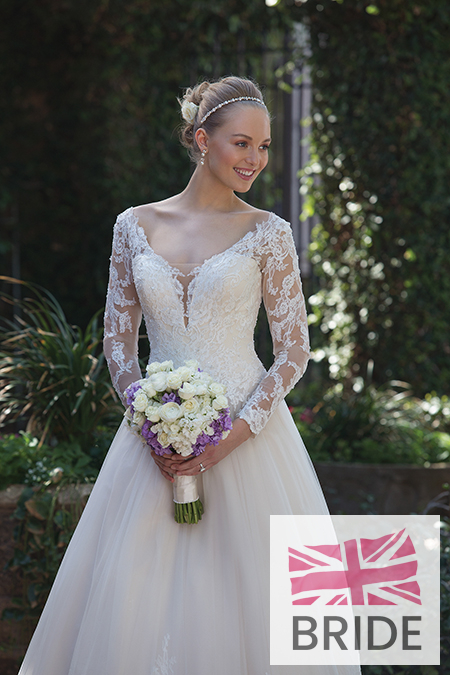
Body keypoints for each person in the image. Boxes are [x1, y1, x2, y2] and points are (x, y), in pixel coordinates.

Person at [18, 76, 361, 675]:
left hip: (248, 444)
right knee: (133, 599)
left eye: (263, 146)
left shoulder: (269, 234)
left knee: (253, 605)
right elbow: (117, 342)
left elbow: (293, 353)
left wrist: (223, 443)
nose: (255, 159)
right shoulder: (134, 226)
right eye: (241, 143)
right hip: (150, 449)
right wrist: (149, 423)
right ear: (203, 140)